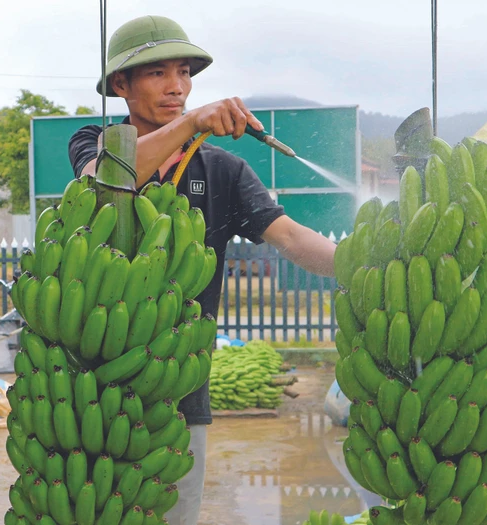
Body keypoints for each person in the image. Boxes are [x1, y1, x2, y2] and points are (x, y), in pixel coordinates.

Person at [68, 15, 338, 525]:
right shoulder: (96, 144)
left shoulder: (223, 170)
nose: (177, 87)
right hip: (91, 382)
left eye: (185, 72)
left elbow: (290, 237)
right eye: (157, 74)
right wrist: (190, 123)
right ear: (120, 85)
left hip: (180, 381)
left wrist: (361, 265)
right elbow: (102, 182)